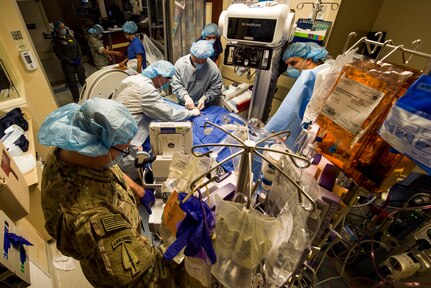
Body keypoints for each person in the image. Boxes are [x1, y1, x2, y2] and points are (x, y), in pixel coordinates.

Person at [38, 98, 203, 287]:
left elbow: (108, 171)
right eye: (122, 151)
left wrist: (139, 191)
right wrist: (189, 251)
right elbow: (153, 278)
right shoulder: (93, 221)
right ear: (97, 149)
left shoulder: (70, 148)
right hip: (118, 272)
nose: (121, 157)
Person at [114, 60, 201, 178]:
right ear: (159, 76)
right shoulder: (147, 90)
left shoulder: (133, 78)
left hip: (117, 124)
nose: (167, 83)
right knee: (131, 164)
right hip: (128, 134)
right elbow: (170, 115)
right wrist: (190, 113)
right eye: (167, 79)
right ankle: (134, 183)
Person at [264, 42, 332, 150]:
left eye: (293, 63)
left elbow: (289, 113)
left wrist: (264, 135)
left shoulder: (309, 77)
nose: (290, 68)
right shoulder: (327, 69)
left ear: (308, 59)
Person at [171, 40, 223, 110]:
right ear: (192, 54)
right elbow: (176, 84)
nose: (201, 63)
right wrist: (186, 97)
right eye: (197, 60)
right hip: (184, 104)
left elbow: (216, 87)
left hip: (203, 106)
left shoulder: (213, 68)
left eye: (203, 60)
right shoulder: (180, 65)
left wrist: (204, 98)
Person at [52, 20, 86, 103]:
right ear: (57, 30)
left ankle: (86, 93)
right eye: (61, 28)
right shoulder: (56, 41)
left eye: (64, 27)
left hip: (77, 61)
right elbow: (60, 55)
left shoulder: (70, 37)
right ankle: (76, 98)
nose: (64, 29)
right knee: (72, 82)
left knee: (83, 79)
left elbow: (78, 46)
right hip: (68, 64)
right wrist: (71, 61)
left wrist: (79, 57)